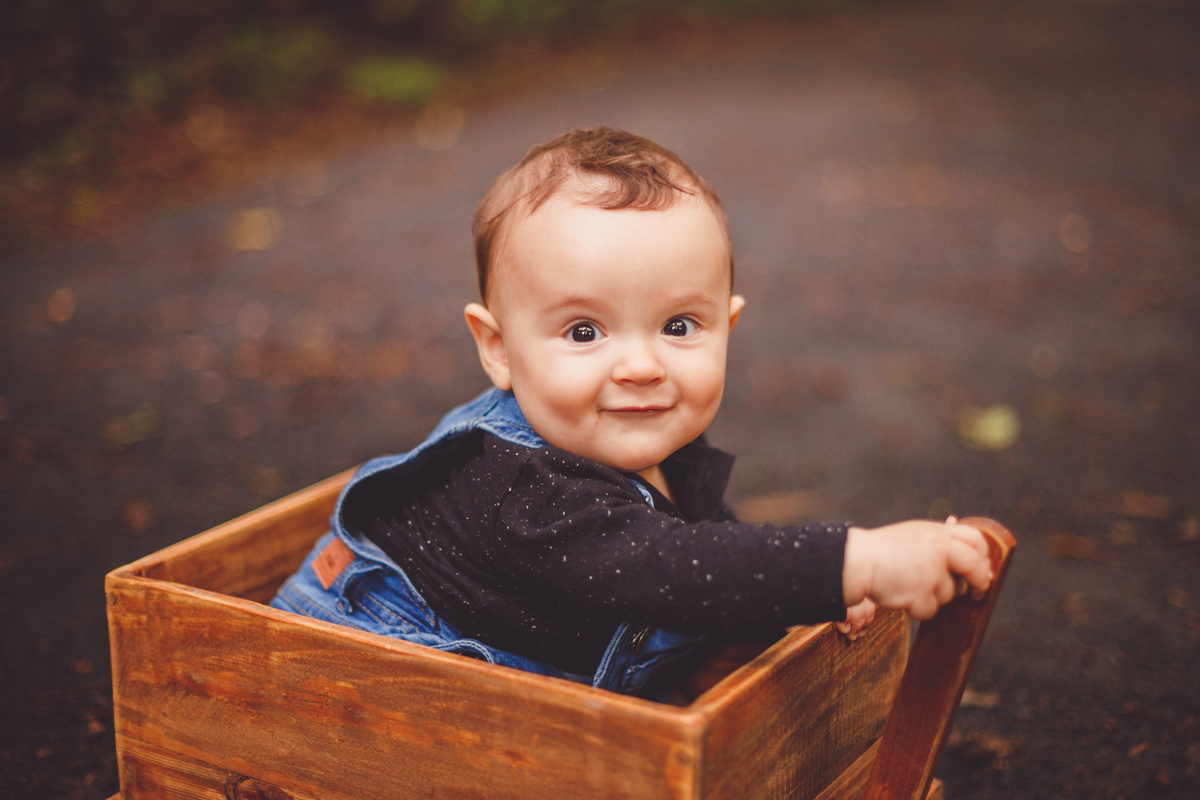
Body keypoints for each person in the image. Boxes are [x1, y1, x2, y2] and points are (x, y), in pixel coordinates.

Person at [270, 127, 992, 700]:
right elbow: (669, 568)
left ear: (728, 329)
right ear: (498, 349)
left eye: (680, 326)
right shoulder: (518, 489)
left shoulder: (648, 445)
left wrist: (802, 596)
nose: (643, 365)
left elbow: (711, 551)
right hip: (352, 683)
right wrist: (852, 559)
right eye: (584, 332)